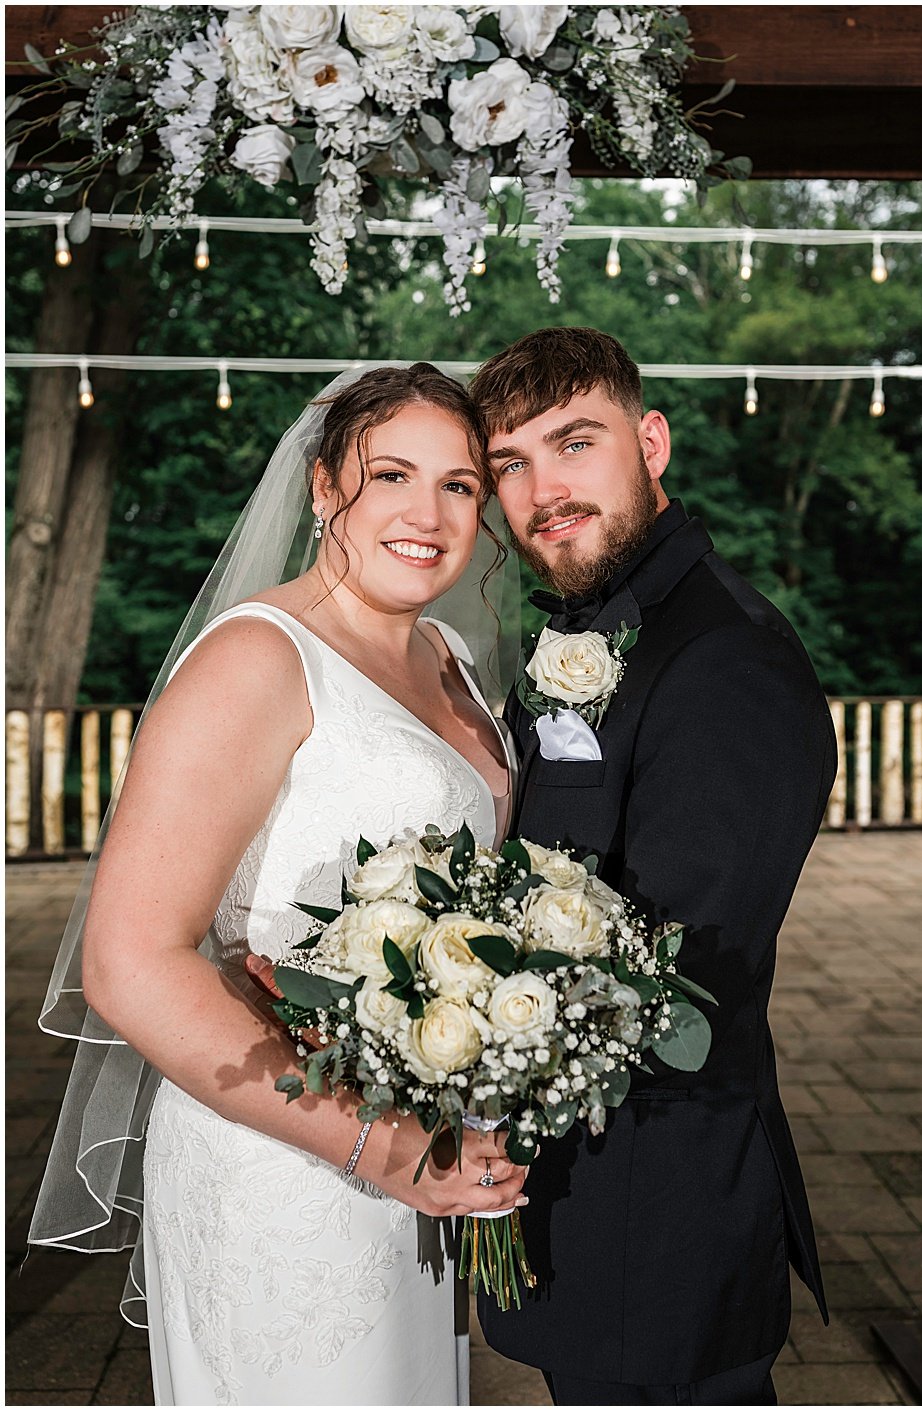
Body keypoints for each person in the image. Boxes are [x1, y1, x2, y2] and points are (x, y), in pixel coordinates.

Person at [29, 364, 529, 1404]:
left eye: (460, 484)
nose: (426, 513)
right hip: (285, 1149)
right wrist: (373, 1140)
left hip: (418, 1154)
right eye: (389, 472)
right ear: (319, 484)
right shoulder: (258, 657)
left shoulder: (447, 656)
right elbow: (128, 965)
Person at [468, 327, 833, 1405]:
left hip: (659, 1212)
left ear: (653, 440)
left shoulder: (725, 658)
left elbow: (672, 974)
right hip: (588, 1202)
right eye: (512, 465)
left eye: (574, 443)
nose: (545, 490)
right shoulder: (603, 630)